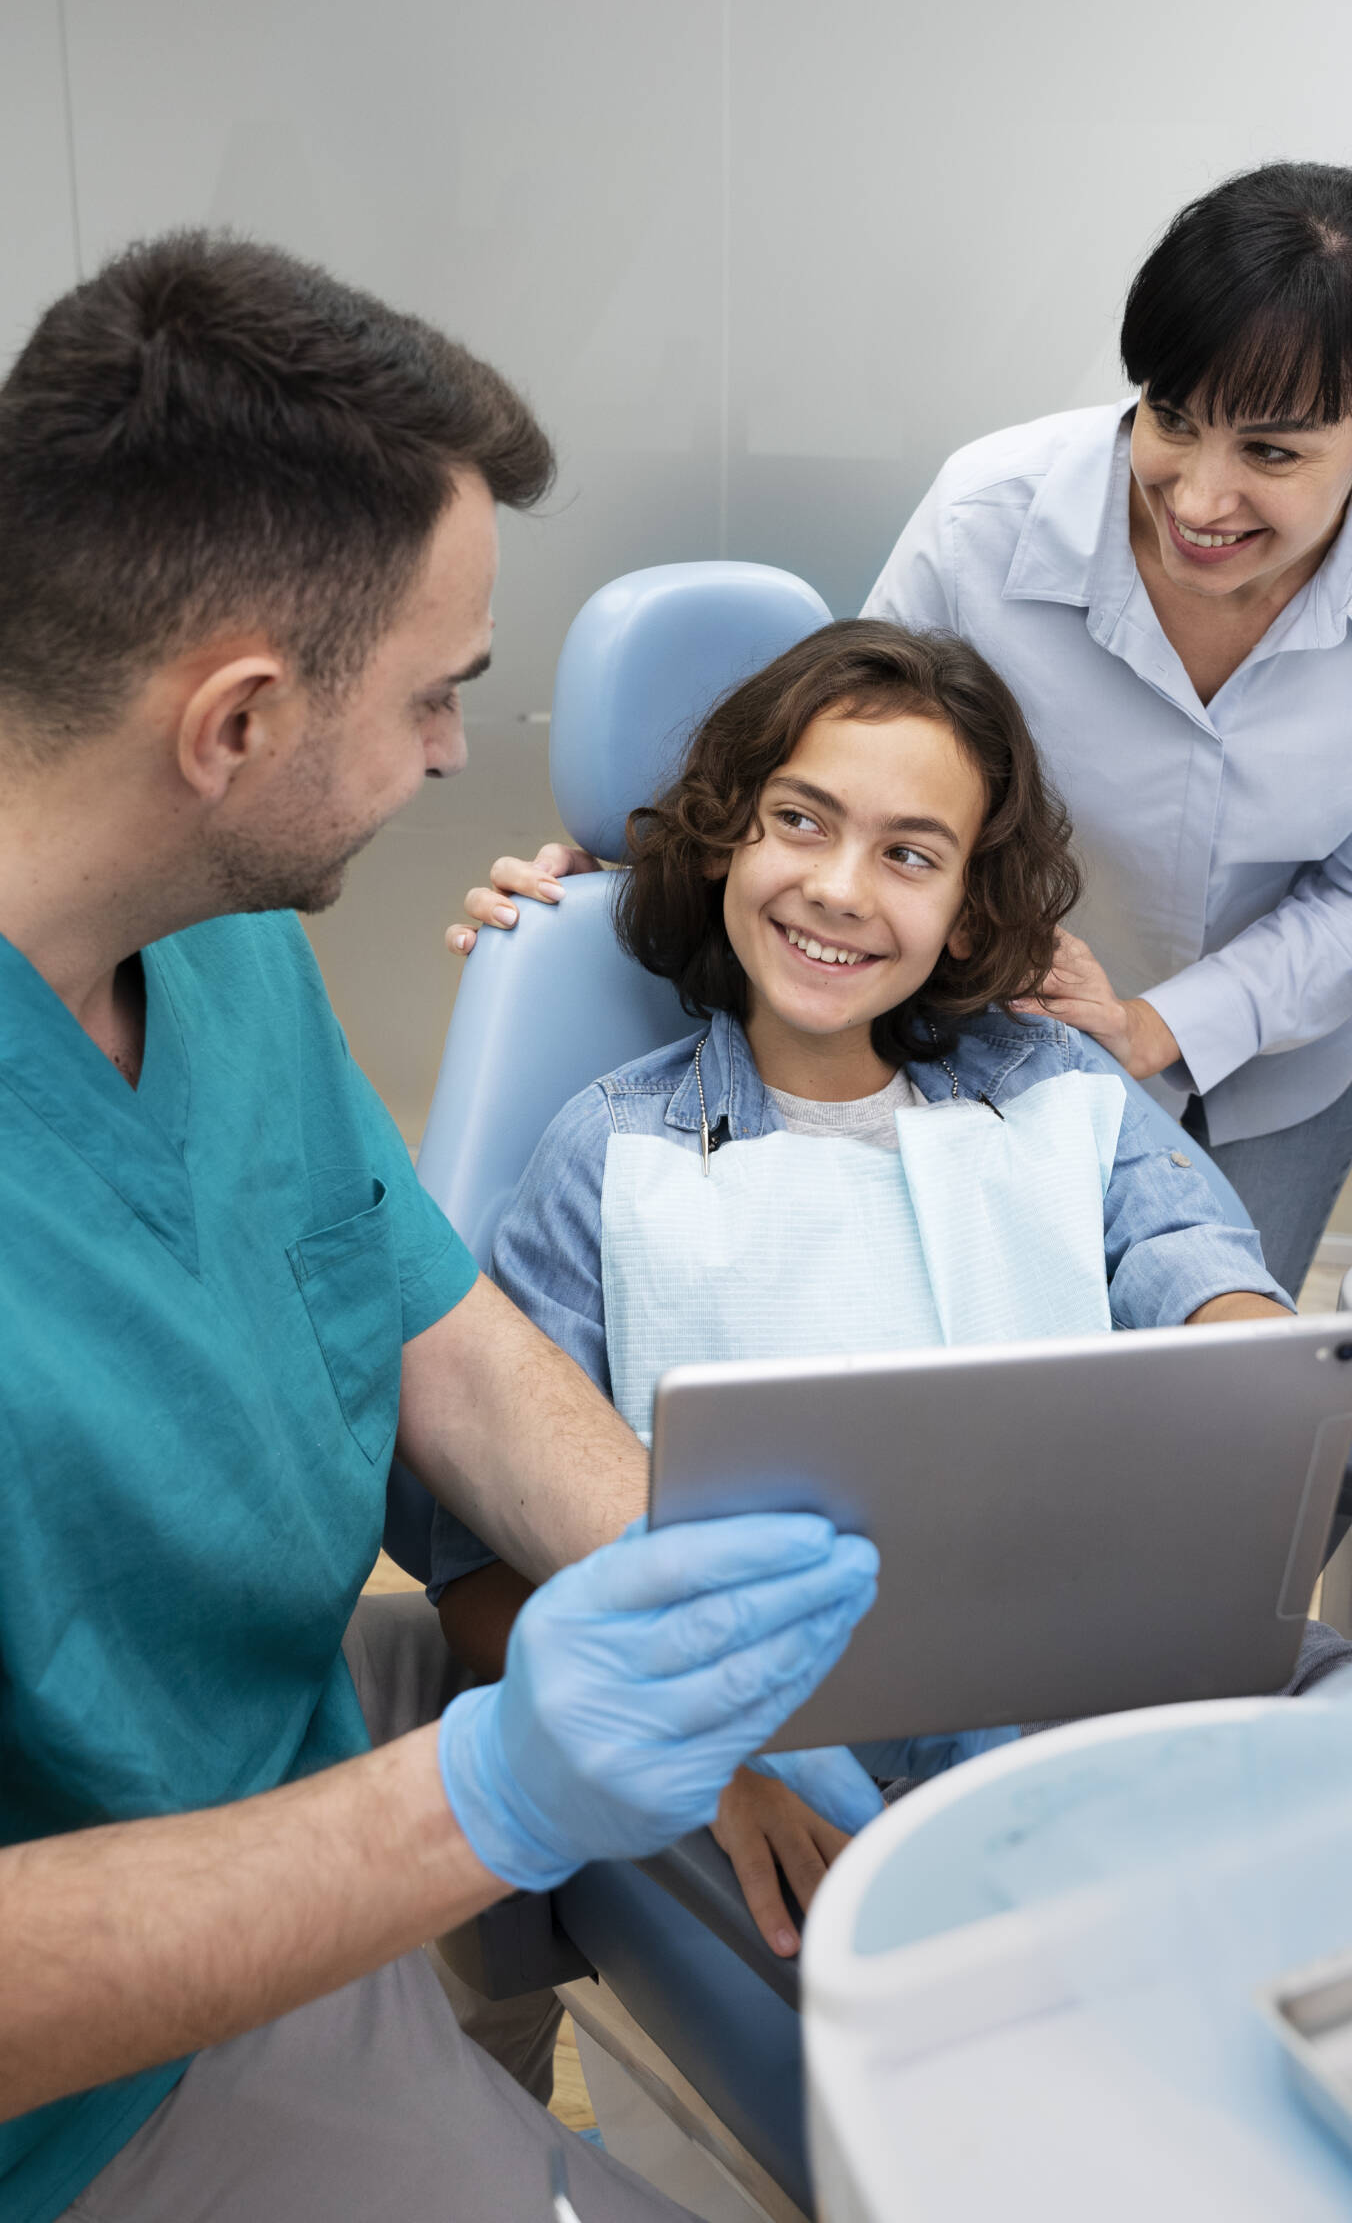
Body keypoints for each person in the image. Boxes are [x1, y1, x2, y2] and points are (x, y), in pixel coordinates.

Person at [0, 232, 879, 2223]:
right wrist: (483, 1798)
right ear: (230, 721)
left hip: (287, 1738)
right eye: (430, 699)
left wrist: (693, 1591)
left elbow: (439, 1335)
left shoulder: (209, 948)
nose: (446, 761)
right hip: (84, 2092)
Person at [456, 161, 1352, 1300]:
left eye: (1270, 452)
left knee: (1201, 1328)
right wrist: (627, 868)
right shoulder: (988, 518)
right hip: (992, 1042)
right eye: (1171, 418)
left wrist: (1156, 1025)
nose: (1200, 499)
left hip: (1288, 1055)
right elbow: (837, 764)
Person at [429, 620, 1294, 1938]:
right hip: (806, 1754)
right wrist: (717, 1769)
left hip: (1102, 1707)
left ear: (964, 911)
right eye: (798, 821)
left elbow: (1219, 1308)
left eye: (908, 854)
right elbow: (484, 1579)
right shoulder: (610, 1156)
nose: (838, 888)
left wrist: (1241, 1389)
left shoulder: (1064, 1097)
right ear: (726, 837)